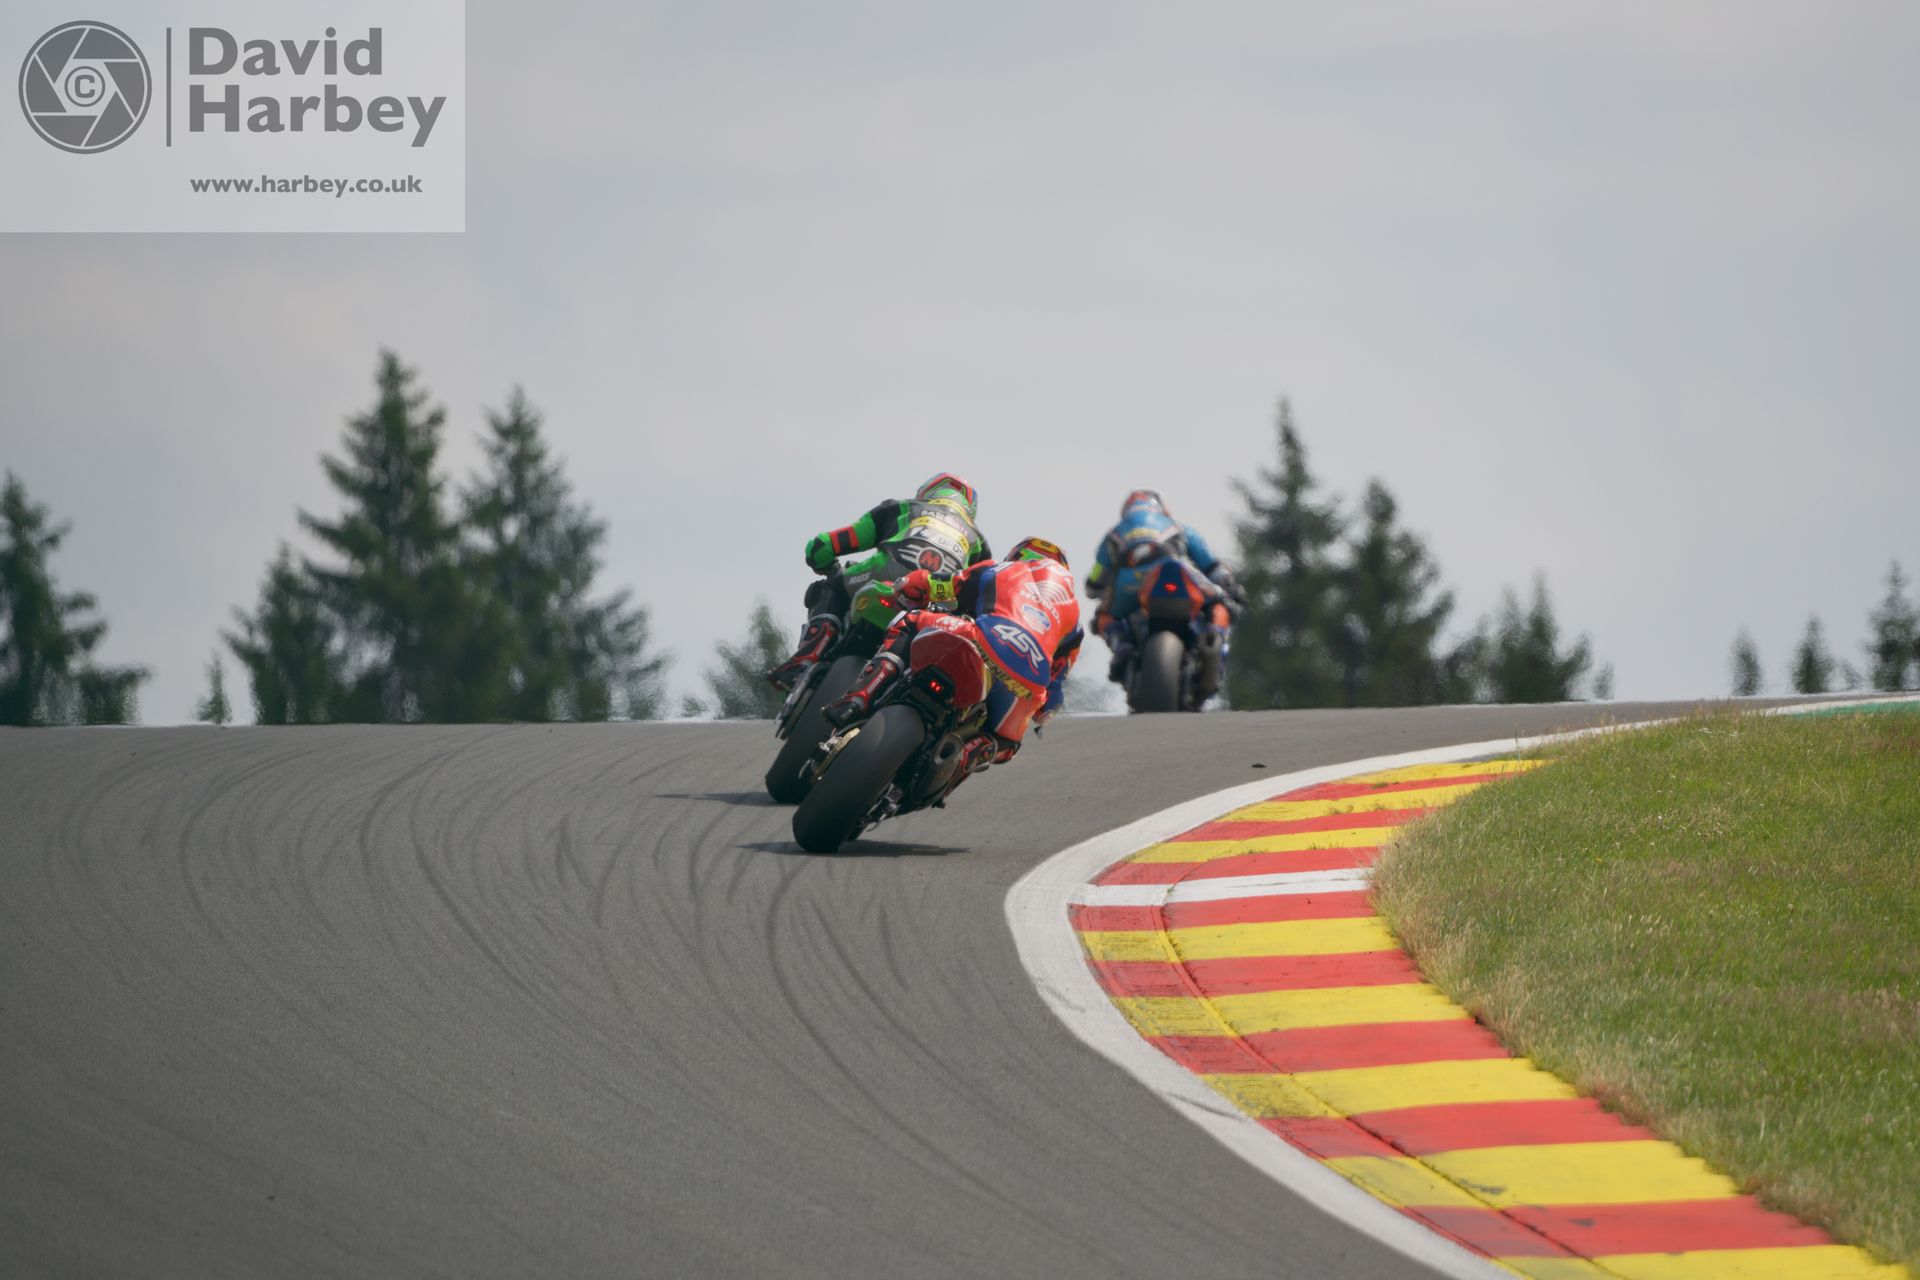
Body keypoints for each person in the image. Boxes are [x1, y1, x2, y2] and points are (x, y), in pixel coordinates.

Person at [823, 537, 1082, 781]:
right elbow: (1056, 688)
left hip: (981, 638)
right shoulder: (1073, 618)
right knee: (1007, 744)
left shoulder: (999, 569)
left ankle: (858, 698)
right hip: (1028, 681)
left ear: (1017, 555)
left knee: (908, 622)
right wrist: (1042, 711)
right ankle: (963, 758)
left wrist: (905, 586)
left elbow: (936, 584)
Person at [765, 473, 992, 691]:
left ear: (927, 491)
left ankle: (805, 658)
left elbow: (825, 545)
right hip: (936, 601)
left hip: (885, 573)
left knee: (830, 587)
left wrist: (823, 563)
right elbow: (980, 599)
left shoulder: (902, 508)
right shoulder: (979, 542)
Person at [1085, 489, 1244, 684]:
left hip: (1131, 582)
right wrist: (1232, 588)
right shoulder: (1178, 527)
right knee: (1221, 604)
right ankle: (1214, 637)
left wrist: (1095, 589)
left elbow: (1095, 580)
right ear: (1162, 508)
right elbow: (1211, 565)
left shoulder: (1114, 533)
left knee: (1104, 616)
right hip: (1179, 572)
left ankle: (1122, 647)